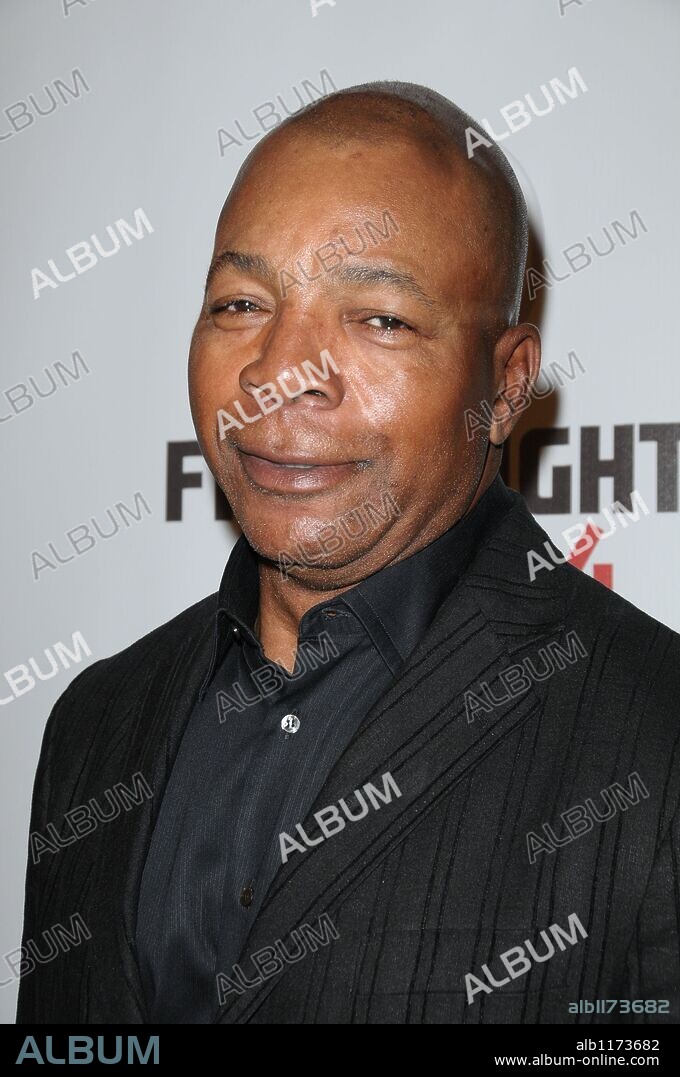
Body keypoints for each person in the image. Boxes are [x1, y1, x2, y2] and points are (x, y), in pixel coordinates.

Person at [17, 81, 680, 1025]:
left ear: (505, 384)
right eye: (241, 302)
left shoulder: (653, 732)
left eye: (378, 319)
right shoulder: (94, 723)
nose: (279, 373)